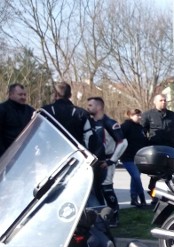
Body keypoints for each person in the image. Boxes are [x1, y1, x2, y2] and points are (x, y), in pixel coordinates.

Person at [86, 97, 126, 226]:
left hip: (106, 162)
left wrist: (111, 161)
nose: (88, 108)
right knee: (96, 190)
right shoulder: (90, 123)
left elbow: (123, 142)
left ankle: (114, 216)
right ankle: (101, 217)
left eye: (90, 105)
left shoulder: (109, 123)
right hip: (94, 163)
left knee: (107, 189)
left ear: (99, 107)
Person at [43, 81, 97, 153]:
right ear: (70, 95)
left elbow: (40, 135)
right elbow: (90, 138)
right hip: (75, 158)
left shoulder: (45, 112)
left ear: (55, 95)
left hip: (50, 156)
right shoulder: (82, 114)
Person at [141, 94, 174, 199]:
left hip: (170, 148)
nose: (164, 102)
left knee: (169, 173)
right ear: (155, 102)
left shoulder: (172, 115)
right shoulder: (148, 115)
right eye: (161, 100)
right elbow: (142, 131)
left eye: (165, 100)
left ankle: (169, 195)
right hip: (155, 149)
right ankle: (153, 194)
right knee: (156, 173)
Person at [120, 108, 150, 207]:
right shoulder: (125, 126)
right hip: (128, 157)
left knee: (135, 178)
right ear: (130, 116)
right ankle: (142, 198)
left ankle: (134, 198)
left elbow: (143, 140)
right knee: (136, 177)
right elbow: (120, 140)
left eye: (140, 115)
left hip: (139, 157)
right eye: (137, 115)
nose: (140, 117)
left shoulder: (140, 128)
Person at [0, 83, 35, 156]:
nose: (23, 97)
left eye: (24, 95)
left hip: (26, 152)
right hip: (7, 154)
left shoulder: (30, 110)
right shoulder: (2, 109)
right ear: (11, 94)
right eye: (20, 94)